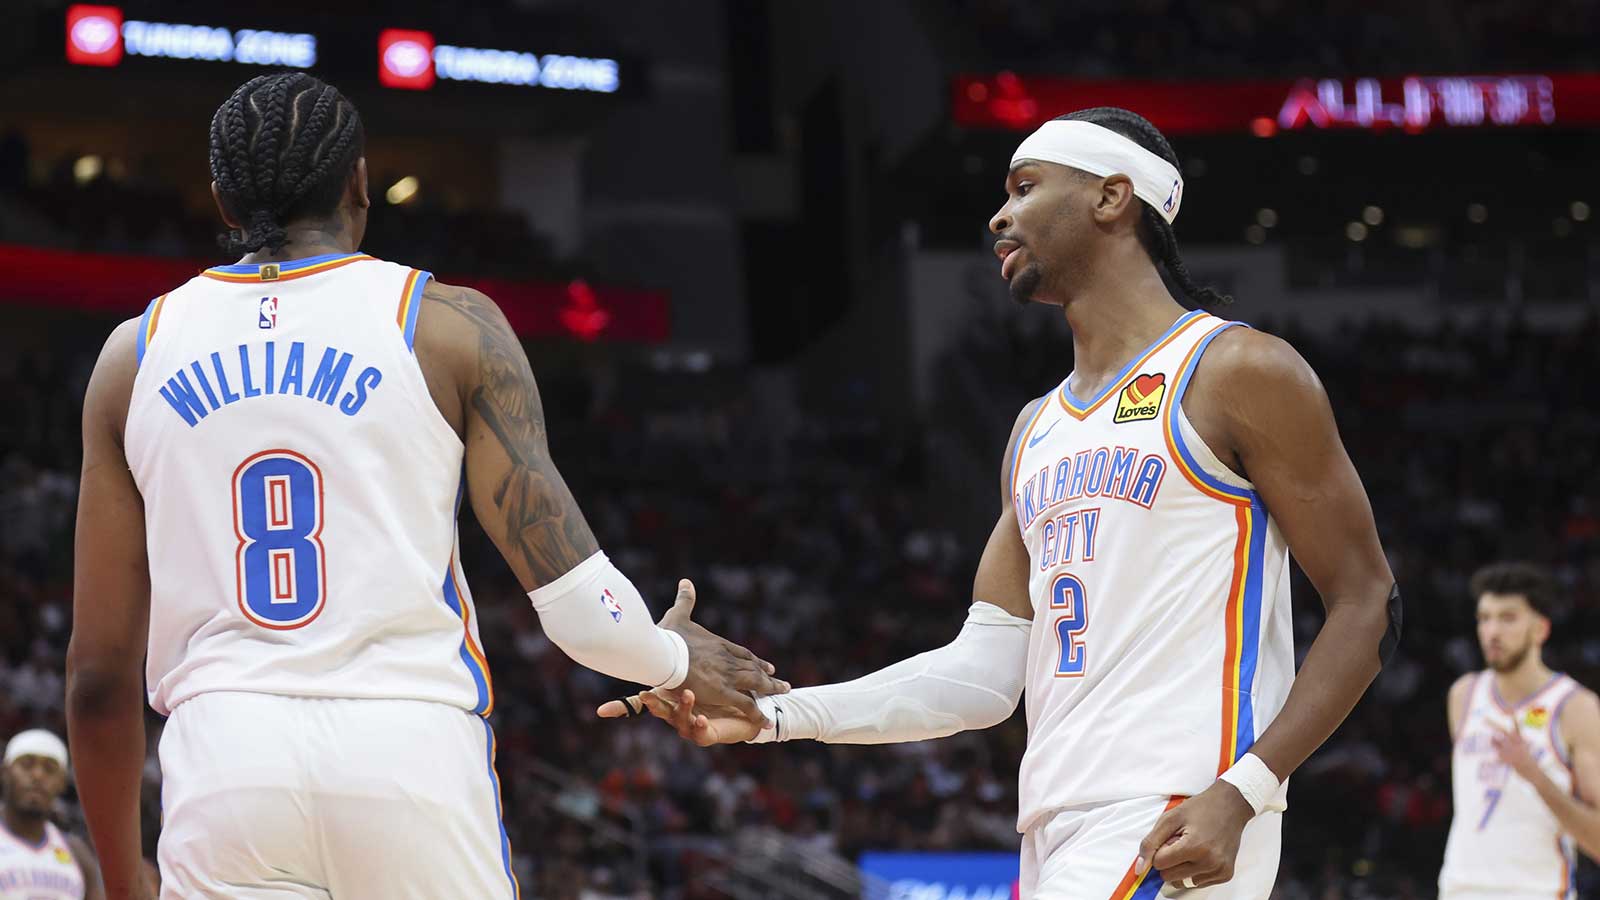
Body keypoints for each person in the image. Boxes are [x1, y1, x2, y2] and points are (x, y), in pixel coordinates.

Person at [603, 107, 1399, 898]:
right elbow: (983, 675)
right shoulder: (1036, 429)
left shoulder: (1236, 369)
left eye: (1024, 187)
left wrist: (1248, 788)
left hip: (1177, 806)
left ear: (1112, 198)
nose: (999, 214)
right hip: (1054, 817)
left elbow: (1367, 599)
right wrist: (775, 712)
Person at [64, 72, 784, 900]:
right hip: (405, 750)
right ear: (361, 182)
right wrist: (668, 657)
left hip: (225, 760)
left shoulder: (133, 356)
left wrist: (122, 877)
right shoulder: (448, 324)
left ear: (223, 201)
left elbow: (97, 677)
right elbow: (582, 608)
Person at [1439, 562, 1600, 900]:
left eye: (1508, 618)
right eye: (1484, 618)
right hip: (1458, 889)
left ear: (1540, 629)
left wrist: (1535, 776)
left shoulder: (1575, 707)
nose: (1492, 631)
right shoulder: (1463, 696)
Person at [0, 730, 103, 900]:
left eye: (49, 769)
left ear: (62, 782)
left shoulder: (77, 852)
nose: (37, 776)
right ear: (5, 772)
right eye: (26, 764)